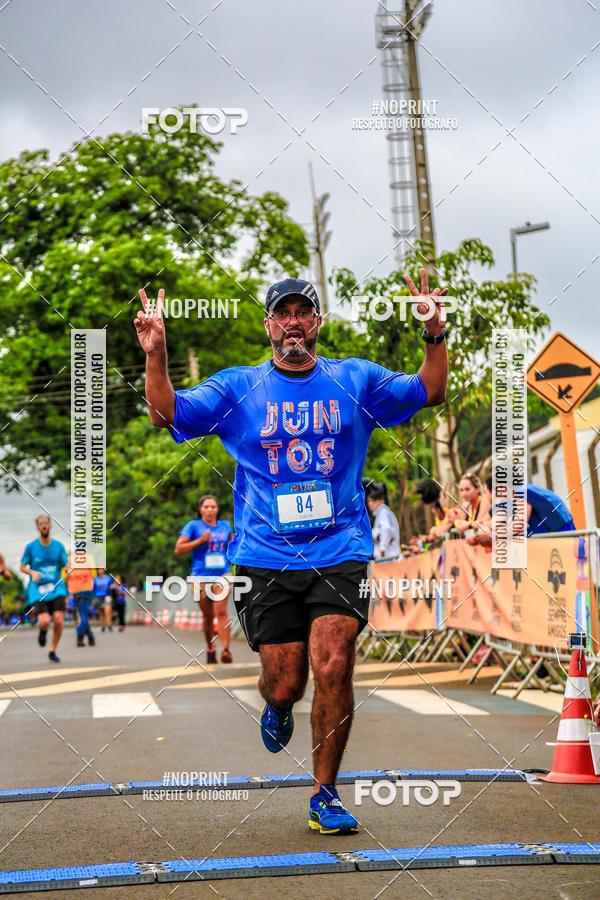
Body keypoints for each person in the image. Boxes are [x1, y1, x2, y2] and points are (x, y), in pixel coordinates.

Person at [136, 268, 448, 834]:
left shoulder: (356, 378)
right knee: (287, 681)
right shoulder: (237, 388)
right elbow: (166, 414)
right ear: (269, 325)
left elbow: (430, 391)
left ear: (318, 323)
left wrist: (433, 333)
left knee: (334, 660)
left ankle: (324, 793)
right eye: (283, 313)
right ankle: (277, 706)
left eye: (304, 312)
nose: (294, 322)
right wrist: (156, 356)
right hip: (264, 557)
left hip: (340, 548)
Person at [175, 496, 234, 664]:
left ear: (217, 509)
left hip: (223, 573)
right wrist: (200, 541)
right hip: (200, 576)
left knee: (221, 612)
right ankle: (210, 647)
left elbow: (233, 544)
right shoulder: (193, 526)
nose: (210, 509)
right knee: (208, 616)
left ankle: (226, 650)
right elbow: (178, 549)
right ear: (201, 509)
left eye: (213, 506)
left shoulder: (225, 526)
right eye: (206, 506)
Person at [20, 515, 68, 662]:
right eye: (41, 524)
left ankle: (52, 650)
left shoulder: (58, 546)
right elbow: (22, 567)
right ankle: (43, 630)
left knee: (59, 620)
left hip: (56, 587)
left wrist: (68, 569)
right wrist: (32, 572)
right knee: (45, 621)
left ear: (50, 525)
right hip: (38, 589)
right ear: (38, 527)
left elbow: (65, 564)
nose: (44, 526)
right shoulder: (31, 547)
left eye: (46, 523)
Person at [66, 553, 96, 647]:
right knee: (84, 615)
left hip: (75, 590)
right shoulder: (89, 557)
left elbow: (64, 576)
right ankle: (83, 636)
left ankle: (88, 637)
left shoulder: (69, 558)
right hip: (87, 589)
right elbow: (94, 574)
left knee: (82, 614)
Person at [366, 485, 400, 560]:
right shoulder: (381, 513)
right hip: (389, 556)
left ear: (381, 501)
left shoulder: (383, 513)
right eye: (369, 501)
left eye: (373, 501)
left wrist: (382, 550)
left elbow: (386, 529)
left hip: (389, 557)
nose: (370, 504)